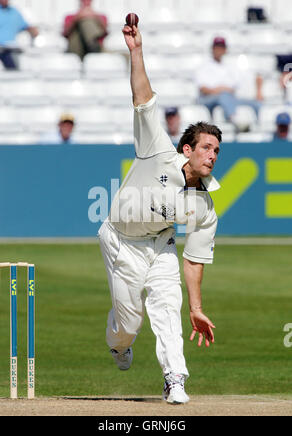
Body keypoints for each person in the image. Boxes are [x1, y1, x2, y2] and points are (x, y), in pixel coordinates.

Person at [98, 23, 222, 405]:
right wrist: (136, 51)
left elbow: (195, 259)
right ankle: (119, 343)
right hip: (121, 239)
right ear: (187, 149)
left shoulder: (206, 205)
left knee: (168, 307)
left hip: (161, 246)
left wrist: (197, 309)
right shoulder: (157, 148)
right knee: (129, 324)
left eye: (217, 150)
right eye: (206, 148)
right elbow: (143, 97)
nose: (212, 156)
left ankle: (174, 378)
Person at [195, 37, 263, 131]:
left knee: (255, 103)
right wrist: (221, 90)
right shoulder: (204, 66)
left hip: (228, 97)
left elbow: (234, 88)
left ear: (225, 49)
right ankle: (235, 119)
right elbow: (203, 89)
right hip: (208, 99)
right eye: (217, 47)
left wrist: (223, 90)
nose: (219, 50)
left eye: (222, 47)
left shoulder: (230, 67)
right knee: (224, 96)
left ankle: (259, 126)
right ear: (212, 48)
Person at [0, 0, 38, 69]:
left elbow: (25, 26)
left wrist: (33, 30)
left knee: (13, 70)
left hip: (9, 49)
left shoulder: (14, 12)